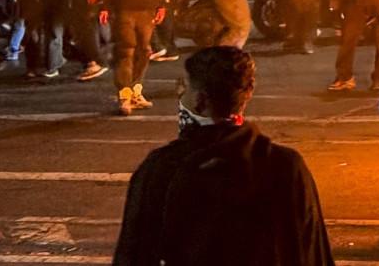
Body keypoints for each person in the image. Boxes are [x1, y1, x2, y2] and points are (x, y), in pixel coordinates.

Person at [114, 46, 334, 266]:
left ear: (201, 100)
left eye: (187, 89)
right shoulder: (286, 167)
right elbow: (312, 252)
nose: (183, 95)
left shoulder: (164, 168)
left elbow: (134, 252)